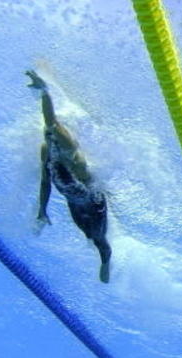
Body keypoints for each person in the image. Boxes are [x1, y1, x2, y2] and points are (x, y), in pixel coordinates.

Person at [27, 70, 112, 283]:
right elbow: (45, 182)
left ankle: (106, 261)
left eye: (52, 133)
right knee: (87, 233)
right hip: (73, 201)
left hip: (92, 199)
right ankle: (101, 255)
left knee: (97, 237)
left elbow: (51, 121)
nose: (47, 135)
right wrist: (42, 210)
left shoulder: (68, 146)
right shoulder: (46, 150)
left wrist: (44, 92)